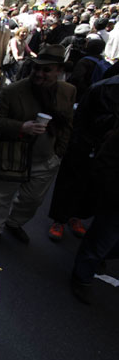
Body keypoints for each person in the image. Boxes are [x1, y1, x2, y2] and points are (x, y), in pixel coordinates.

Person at [0, 45, 75, 249]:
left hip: (46, 158)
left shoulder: (68, 91)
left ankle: (14, 222)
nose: (39, 73)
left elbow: (68, 123)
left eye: (46, 70)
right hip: (12, 155)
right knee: (0, 196)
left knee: (32, 199)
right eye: (36, 68)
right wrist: (21, 127)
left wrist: (59, 152)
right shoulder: (13, 91)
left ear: (59, 71)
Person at [48, 75, 119, 242]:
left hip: (109, 151)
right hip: (85, 143)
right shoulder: (102, 88)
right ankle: (59, 220)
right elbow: (79, 119)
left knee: (94, 187)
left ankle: (77, 216)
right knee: (70, 183)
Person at [71, 125, 119, 305]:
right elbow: (104, 165)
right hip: (115, 204)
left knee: (108, 244)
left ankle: (98, 257)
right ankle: (81, 277)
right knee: (100, 241)